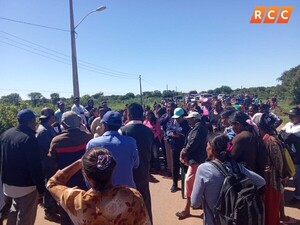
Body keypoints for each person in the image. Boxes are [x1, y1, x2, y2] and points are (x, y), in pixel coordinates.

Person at [47, 147, 151, 225]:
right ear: (112, 170)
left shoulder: (77, 201)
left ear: (87, 176)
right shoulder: (132, 196)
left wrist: (80, 163)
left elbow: (52, 183)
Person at [191, 133, 266, 225]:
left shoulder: (203, 169)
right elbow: (261, 182)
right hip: (235, 219)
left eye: (207, 146)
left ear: (212, 149)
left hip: (214, 221)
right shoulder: (237, 166)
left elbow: (195, 203)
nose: (206, 148)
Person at [0, 109, 45, 225]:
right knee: (26, 216)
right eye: (34, 121)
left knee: (14, 210)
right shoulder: (29, 139)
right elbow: (35, 167)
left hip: (7, 185)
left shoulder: (6, 134)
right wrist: (41, 189)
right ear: (30, 122)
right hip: (26, 186)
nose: (35, 123)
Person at [49, 111, 93, 225]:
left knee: (66, 215)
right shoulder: (88, 137)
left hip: (66, 186)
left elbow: (52, 165)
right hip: (86, 184)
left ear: (63, 124)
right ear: (79, 121)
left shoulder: (56, 141)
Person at [120, 103, 154, 223]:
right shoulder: (148, 131)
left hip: (129, 174)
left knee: (129, 205)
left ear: (128, 115)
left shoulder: (123, 131)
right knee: (145, 201)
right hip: (144, 171)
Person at [86, 111, 139, 188]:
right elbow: (136, 164)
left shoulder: (93, 144)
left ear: (104, 125)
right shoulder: (131, 142)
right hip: (127, 191)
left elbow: (88, 171)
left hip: (103, 192)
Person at [253, 113, 285, 225]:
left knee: (271, 212)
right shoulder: (263, 138)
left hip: (272, 182)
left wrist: (280, 177)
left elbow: (279, 162)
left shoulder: (271, 140)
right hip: (266, 181)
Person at [176, 111, 208, 219]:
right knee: (194, 183)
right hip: (196, 159)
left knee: (190, 183)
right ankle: (191, 207)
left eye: (189, 118)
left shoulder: (198, 128)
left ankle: (188, 209)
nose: (188, 120)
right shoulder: (198, 127)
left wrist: (184, 152)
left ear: (195, 119)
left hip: (196, 160)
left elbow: (193, 143)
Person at [36, 107, 60, 222]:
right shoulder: (44, 131)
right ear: (51, 117)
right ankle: (48, 211)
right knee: (49, 186)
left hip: (49, 163)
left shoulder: (46, 128)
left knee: (51, 185)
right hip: (48, 164)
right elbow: (48, 150)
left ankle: (52, 207)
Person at [279, 107, 300, 204]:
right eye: (290, 115)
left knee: (297, 177)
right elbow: (280, 135)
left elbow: (288, 137)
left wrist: (284, 135)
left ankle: (298, 196)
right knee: (290, 174)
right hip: (289, 154)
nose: (290, 117)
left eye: (293, 116)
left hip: (297, 157)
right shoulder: (289, 124)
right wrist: (283, 135)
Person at [168, 108, 189, 193]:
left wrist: (179, 136)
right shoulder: (172, 121)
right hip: (174, 147)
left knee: (185, 167)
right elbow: (167, 130)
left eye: (178, 118)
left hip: (184, 148)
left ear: (182, 116)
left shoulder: (187, 123)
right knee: (175, 166)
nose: (176, 119)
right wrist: (171, 134)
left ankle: (187, 186)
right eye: (175, 118)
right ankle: (175, 184)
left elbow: (188, 135)